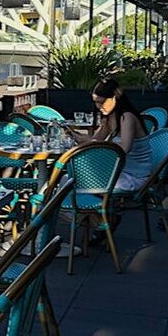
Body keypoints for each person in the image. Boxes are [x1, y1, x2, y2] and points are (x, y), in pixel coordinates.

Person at [66, 79, 153, 244]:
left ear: (115, 97)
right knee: (68, 181)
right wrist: (74, 136)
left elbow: (124, 148)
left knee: (77, 183)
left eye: (101, 102)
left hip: (134, 175)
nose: (99, 106)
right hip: (118, 171)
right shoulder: (109, 118)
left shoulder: (127, 117)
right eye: (95, 103)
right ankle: (103, 221)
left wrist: (97, 152)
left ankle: (100, 222)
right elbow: (95, 140)